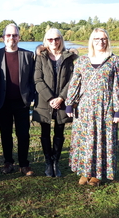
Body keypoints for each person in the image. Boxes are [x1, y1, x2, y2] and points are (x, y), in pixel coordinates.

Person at [65, 28, 119, 186]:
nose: (101, 42)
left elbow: (118, 86)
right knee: (84, 140)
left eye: (104, 38)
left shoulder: (114, 60)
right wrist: (69, 104)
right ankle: (85, 172)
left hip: (105, 108)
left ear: (108, 40)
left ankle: (97, 174)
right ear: (91, 41)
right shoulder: (82, 61)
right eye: (97, 39)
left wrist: (118, 110)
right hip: (85, 108)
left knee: (101, 141)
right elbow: (75, 84)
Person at [32, 28, 78, 177]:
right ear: (46, 40)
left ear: (61, 39)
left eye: (56, 39)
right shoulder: (41, 56)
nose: (54, 42)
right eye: (50, 39)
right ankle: (48, 163)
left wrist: (61, 98)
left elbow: (72, 80)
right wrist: (50, 98)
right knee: (45, 131)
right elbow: (37, 79)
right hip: (45, 102)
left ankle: (55, 162)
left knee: (59, 131)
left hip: (62, 101)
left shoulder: (68, 57)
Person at [0, 24, 35, 176]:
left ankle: (24, 164)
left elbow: (32, 79)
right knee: (5, 134)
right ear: (4, 38)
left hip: (21, 102)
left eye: (15, 35)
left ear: (19, 37)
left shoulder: (28, 55)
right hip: (2, 101)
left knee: (23, 134)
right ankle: (8, 162)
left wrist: (30, 97)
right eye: (9, 35)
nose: (12, 38)